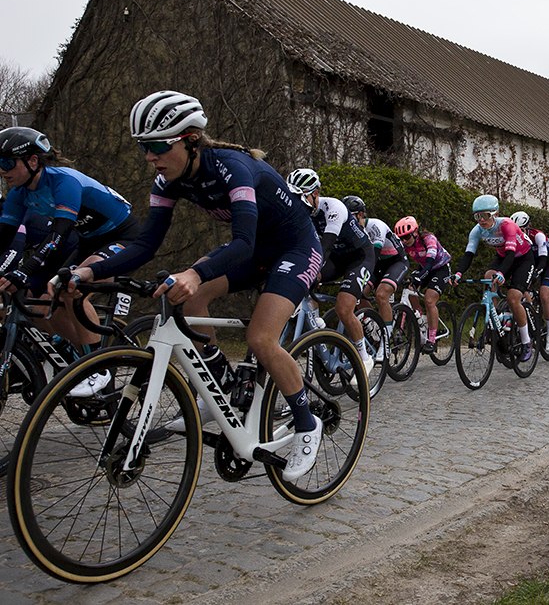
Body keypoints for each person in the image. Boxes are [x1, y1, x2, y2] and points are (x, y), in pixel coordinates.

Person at [65, 91, 324, 481]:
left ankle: (307, 424)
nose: (149, 157)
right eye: (143, 148)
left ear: (189, 139)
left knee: (260, 338)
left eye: (156, 146)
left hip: (294, 247)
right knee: (190, 297)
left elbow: (243, 243)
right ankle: (218, 384)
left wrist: (196, 273)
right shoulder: (168, 180)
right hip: (253, 250)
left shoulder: (234, 169)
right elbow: (145, 245)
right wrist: (88, 273)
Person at [0, 126, 141, 396]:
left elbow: (59, 233)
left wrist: (24, 268)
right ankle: (74, 351)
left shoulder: (63, 181)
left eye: (7, 162)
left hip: (126, 237)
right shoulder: (19, 194)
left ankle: (98, 367)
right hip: (90, 240)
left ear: (32, 161)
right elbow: (3, 237)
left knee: (72, 288)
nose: (2, 170)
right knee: (34, 299)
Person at [286, 170, 376, 375]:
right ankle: (316, 323)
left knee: (344, 308)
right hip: (337, 257)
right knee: (300, 279)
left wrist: (312, 271)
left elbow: (324, 247)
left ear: (315, 193)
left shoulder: (333, 207)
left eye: (302, 197)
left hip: (359, 256)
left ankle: (364, 357)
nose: (297, 202)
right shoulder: (302, 213)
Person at [450, 195, 535, 361]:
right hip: (504, 255)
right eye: (477, 216)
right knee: (488, 277)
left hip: (523, 258)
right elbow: (469, 254)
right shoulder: (477, 230)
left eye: (485, 215)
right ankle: (495, 318)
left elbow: (511, 254)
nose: (481, 220)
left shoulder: (507, 226)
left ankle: (526, 341)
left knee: (513, 298)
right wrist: (458, 274)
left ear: (495, 214)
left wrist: (502, 273)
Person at [342, 195, 410, 362]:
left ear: (360, 215)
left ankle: (384, 343)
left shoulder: (376, 226)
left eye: (351, 217)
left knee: (381, 295)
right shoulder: (349, 232)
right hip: (375, 265)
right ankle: (372, 325)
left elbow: (373, 255)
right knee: (357, 293)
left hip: (396, 262)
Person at [394, 216, 451, 355]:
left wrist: (420, 277)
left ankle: (431, 340)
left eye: (407, 237)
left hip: (440, 268)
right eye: (401, 238)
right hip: (424, 267)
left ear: (415, 232)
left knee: (429, 299)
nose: (404, 241)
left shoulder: (428, 239)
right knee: (410, 289)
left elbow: (430, 262)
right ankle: (420, 318)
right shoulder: (405, 245)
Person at [510, 211, 549, 354]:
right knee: (523, 291)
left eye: (521, 229)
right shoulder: (516, 238)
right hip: (530, 263)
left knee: (544, 295)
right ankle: (530, 315)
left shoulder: (538, 236)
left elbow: (543, 260)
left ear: (528, 226)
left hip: (547, 263)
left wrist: (536, 274)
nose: (519, 232)